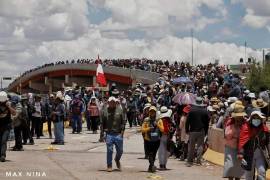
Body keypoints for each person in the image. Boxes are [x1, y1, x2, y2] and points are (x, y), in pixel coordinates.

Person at [238, 111, 270, 180]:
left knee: (262, 172)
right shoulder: (245, 128)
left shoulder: (265, 129)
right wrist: (240, 153)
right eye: (254, 118)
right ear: (251, 119)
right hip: (248, 155)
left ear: (261, 119)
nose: (256, 120)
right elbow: (242, 142)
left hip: (261, 155)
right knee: (249, 174)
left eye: (258, 118)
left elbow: (268, 142)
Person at [101, 96, 126, 172]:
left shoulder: (120, 110)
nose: (112, 103)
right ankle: (109, 165)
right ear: (108, 103)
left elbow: (123, 122)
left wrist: (122, 132)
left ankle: (117, 159)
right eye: (110, 102)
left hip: (118, 134)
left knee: (120, 151)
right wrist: (103, 133)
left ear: (115, 103)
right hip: (109, 134)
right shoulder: (105, 111)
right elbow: (102, 123)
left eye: (113, 102)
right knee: (109, 150)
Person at [223, 101, 245, 180]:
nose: (239, 118)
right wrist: (235, 127)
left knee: (238, 167)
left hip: (241, 149)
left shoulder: (244, 124)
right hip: (230, 147)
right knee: (230, 166)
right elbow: (227, 135)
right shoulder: (230, 122)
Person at [185, 97, 209, 167]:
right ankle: (198, 161)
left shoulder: (191, 110)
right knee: (200, 146)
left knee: (191, 146)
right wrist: (206, 131)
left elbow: (187, 121)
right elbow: (207, 123)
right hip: (201, 131)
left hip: (192, 130)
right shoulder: (205, 111)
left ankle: (190, 161)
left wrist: (187, 130)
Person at [141, 106, 164, 173]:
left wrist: (157, 125)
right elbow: (142, 130)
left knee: (154, 154)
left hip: (157, 140)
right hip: (148, 140)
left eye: (153, 111)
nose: (152, 113)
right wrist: (148, 128)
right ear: (149, 112)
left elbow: (162, 130)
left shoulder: (159, 120)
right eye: (151, 111)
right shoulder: (146, 120)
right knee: (150, 154)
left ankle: (151, 166)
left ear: (155, 112)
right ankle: (152, 165)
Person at [0, 91, 16, 162]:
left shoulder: (9, 104)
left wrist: (8, 106)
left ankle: (3, 155)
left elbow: (14, 113)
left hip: (6, 126)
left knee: (4, 140)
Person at [158, 106, 172, 170]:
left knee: (161, 151)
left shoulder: (160, 120)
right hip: (168, 137)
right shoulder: (169, 120)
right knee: (166, 151)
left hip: (162, 136)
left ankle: (161, 165)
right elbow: (172, 128)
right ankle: (164, 165)